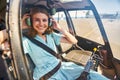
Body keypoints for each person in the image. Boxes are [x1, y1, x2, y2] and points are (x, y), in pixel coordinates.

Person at [22, 6, 109, 80]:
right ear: (30, 21)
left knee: (94, 76)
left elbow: (74, 41)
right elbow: (7, 46)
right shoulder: (26, 40)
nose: (41, 24)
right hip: (47, 75)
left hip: (62, 67)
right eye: (37, 20)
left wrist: (60, 28)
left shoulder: (51, 35)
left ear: (49, 22)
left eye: (44, 20)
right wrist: (20, 26)